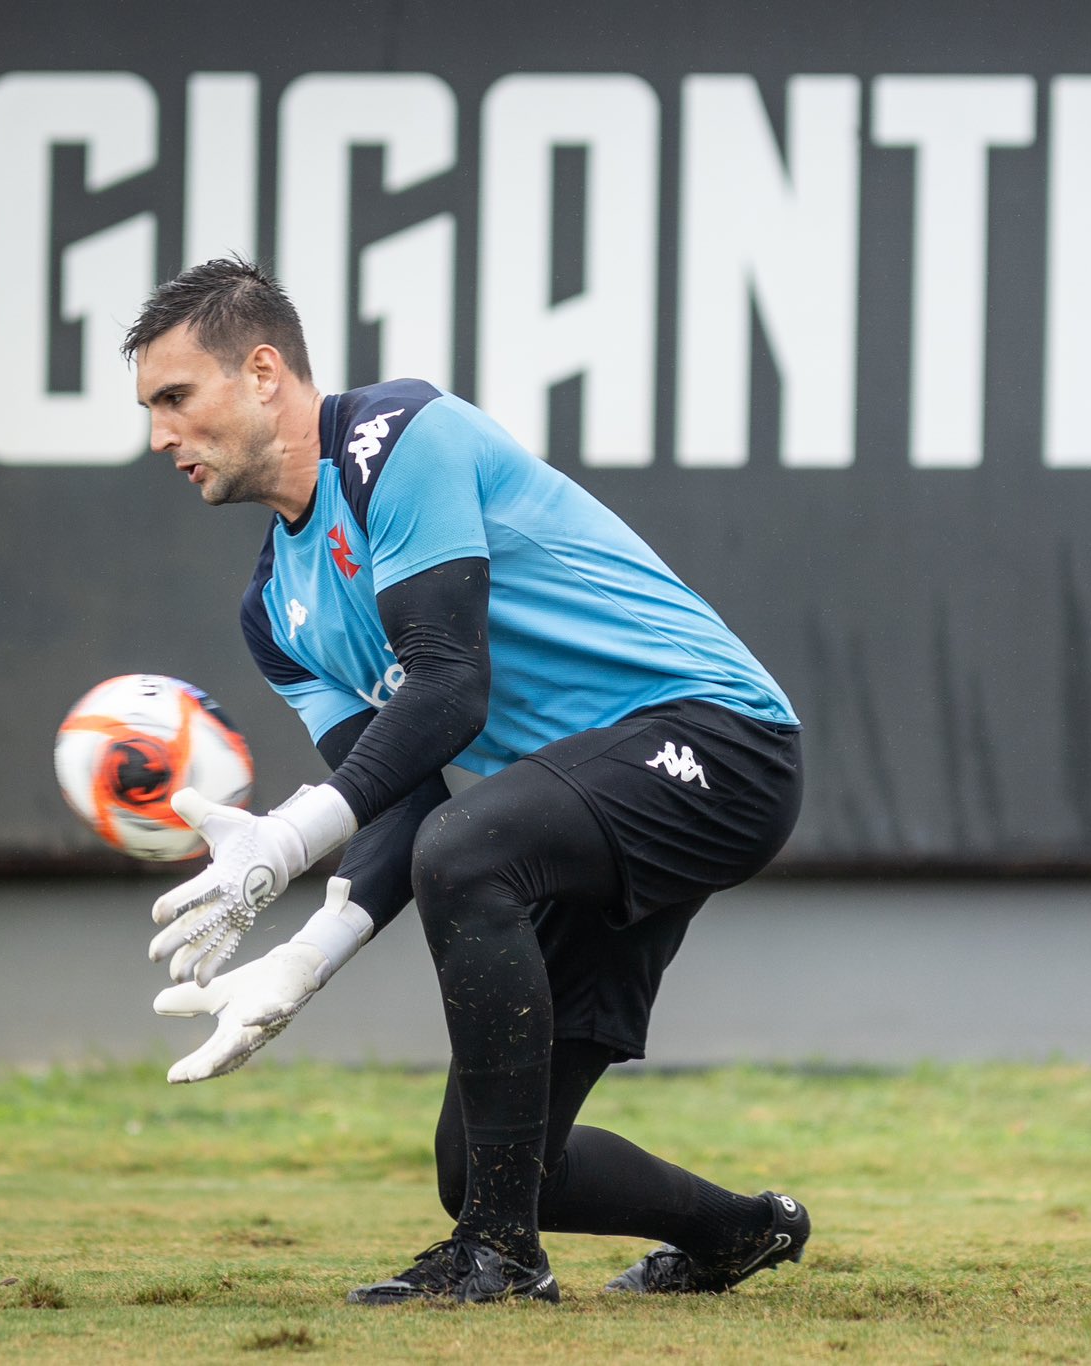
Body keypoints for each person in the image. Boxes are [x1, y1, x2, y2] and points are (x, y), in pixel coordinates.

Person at [124, 256, 808, 1305]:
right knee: (488, 1163)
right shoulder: (274, 611)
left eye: (175, 397)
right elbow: (402, 799)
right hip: (566, 809)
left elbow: (448, 692)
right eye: (149, 410)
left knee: (471, 849)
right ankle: (741, 1232)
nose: (160, 436)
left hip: (719, 743)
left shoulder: (400, 436)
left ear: (263, 372)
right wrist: (306, 958)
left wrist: (292, 838)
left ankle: (501, 1259)